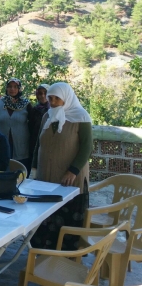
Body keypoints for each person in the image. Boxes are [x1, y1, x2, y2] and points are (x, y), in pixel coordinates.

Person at [30, 82, 93, 250]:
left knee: (67, 217)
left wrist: (73, 171)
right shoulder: (47, 116)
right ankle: (43, 253)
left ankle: (66, 255)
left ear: (66, 97)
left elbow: (87, 147)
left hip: (70, 178)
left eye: (57, 98)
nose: (53, 101)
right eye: (50, 98)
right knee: (45, 217)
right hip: (46, 177)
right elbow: (39, 144)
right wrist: (34, 169)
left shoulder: (81, 116)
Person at [0, 78, 33, 174]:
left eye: (15, 87)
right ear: (6, 88)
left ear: (19, 89)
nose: (12, 89)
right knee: (1, 173)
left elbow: (32, 126)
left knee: (20, 174)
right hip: (0, 145)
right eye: (9, 86)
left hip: (21, 146)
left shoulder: (26, 104)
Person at [29, 83, 50, 159]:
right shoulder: (34, 109)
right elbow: (30, 127)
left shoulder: (54, 109)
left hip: (49, 143)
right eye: (40, 93)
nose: (43, 96)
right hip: (35, 143)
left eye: (45, 93)